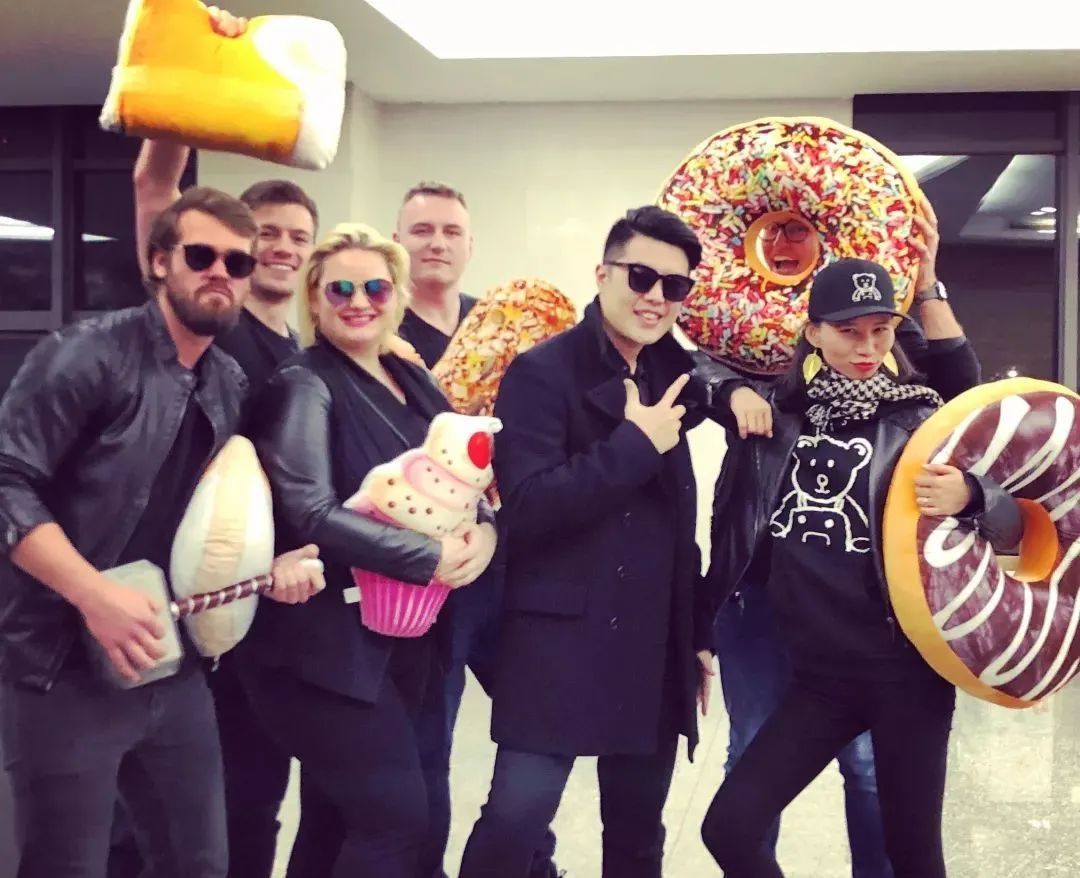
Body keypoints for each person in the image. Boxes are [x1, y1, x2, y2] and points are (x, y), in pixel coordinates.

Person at [0, 186, 323, 878]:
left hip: (170, 663)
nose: (221, 274)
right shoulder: (85, 355)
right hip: (58, 668)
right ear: (158, 261)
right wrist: (92, 596)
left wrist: (274, 562)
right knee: (66, 866)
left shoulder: (226, 381)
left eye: (238, 263)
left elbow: (216, 514)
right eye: (201, 256)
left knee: (199, 863)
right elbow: (7, 483)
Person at [458, 205, 757, 878]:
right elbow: (528, 506)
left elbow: (679, 523)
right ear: (603, 273)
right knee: (514, 820)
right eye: (640, 277)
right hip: (557, 637)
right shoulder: (542, 371)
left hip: (651, 639)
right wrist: (635, 445)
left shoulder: (670, 373)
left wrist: (695, 632)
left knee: (637, 832)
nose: (655, 297)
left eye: (674, 286)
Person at [699, 257, 1022, 877]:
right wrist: (733, 388)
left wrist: (972, 496)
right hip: (820, 681)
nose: (867, 347)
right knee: (729, 828)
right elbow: (691, 367)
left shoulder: (922, 420)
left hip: (906, 678)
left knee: (913, 857)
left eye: (880, 330)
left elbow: (1016, 523)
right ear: (814, 333)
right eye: (848, 331)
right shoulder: (777, 415)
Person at [235, 222, 498, 878]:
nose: (359, 301)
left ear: (398, 295)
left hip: (403, 637)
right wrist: (427, 557)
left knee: (336, 821)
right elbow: (310, 510)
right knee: (394, 821)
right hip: (321, 647)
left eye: (376, 288)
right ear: (314, 298)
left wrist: (486, 532)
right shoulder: (304, 382)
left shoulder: (409, 376)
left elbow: (463, 472)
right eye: (340, 289)